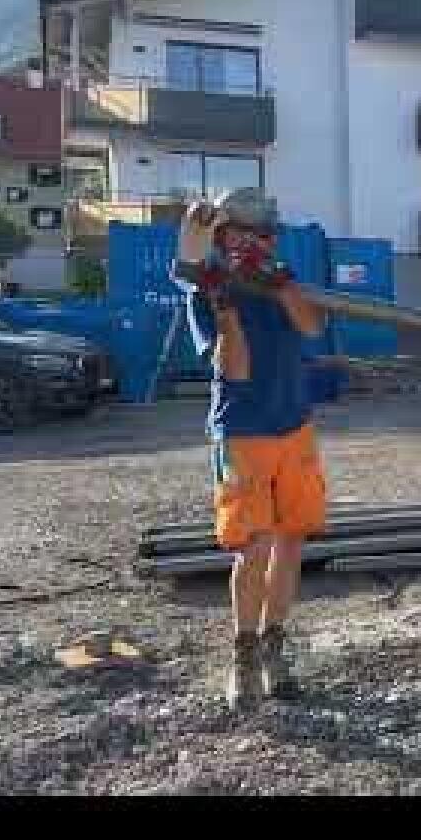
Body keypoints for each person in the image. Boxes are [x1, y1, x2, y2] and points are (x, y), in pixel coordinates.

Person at [174, 189, 328, 710]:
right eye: (247, 233)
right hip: (242, 431)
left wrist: (280, 283)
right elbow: (233, 369)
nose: (258, 243)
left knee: (291, 542)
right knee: (254, 547)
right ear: (223, 236)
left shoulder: (279, 279)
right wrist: (225, 309)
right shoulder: (204, 290)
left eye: (265, 235)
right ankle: (243, 655)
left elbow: (311, 325)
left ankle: (275, 647)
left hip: (294, 425)